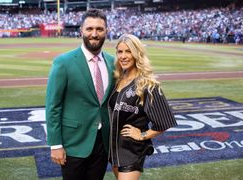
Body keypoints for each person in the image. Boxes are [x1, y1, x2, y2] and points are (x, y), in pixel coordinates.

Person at [45, 9, 114, 180]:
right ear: (81, 31)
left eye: (99, 29)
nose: (94, 34)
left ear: (107, 31)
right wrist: (55, 144)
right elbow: (53, 106)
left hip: (103, 143)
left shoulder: (113, 62)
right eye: (89, 29)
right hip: (73, 143)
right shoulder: (64, 62)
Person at [108, 34, 177, 180]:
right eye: (120, 52)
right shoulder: (118, 79)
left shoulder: (148, 84)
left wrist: (142, 135)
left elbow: (165, 121)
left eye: (128, 51)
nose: (123, 56)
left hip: (132, 151)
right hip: (114, 150)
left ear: (137, 54)